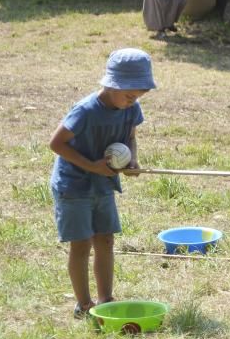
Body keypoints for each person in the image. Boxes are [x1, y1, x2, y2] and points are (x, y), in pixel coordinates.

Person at [48, 48, 156, 318]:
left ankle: (106, 299)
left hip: (103, 186)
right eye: (129, 95)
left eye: (138, 97)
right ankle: (84, 305)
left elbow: (130, 137)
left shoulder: (131, 109)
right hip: (74, 186)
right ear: (111, 85)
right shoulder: (85, 111)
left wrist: (132, 162)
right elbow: (56, 143)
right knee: (81, 244)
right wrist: (91, 166)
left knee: (105, 240)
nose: (133, 101)